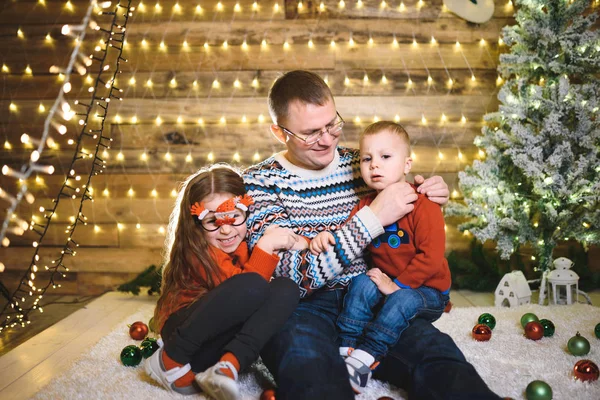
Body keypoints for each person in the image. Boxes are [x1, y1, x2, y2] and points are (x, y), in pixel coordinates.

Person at [243, 70, 501, 399]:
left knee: (437, 354)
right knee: (308, 367)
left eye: (332, 124)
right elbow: (286, 275)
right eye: (311, 133)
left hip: (369, 294)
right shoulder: (259, 182)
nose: (326, 139)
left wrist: (429, 192)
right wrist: (371, 218)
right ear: (279, 133)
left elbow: (411, 213)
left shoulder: (365, 163)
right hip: (301, 308)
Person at [309, 121, 451, 393]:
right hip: (389, 280)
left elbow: (431, 258)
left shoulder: (424, 206)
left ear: (407, 165)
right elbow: (349, 237)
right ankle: (346, 347)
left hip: (428, 289)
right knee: (361, 284)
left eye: (385, 157)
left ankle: (366, 357)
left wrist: (398, 286)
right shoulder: (367, 206)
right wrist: (323, 239)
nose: (375, 165)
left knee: (403, 299)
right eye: (367, 158)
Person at [145, 165, 301, 400]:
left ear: (246, 212)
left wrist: (304, 241)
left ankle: (228, 366)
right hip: (186, 336)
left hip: (214, 347)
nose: (226, 230)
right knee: (254, 286)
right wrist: (265, 248)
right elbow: (247, 291)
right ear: (196, 224)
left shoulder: (243, 245)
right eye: (212, 221)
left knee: (286, 288)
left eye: (234, 217)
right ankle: (169, 359)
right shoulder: (197, 252)